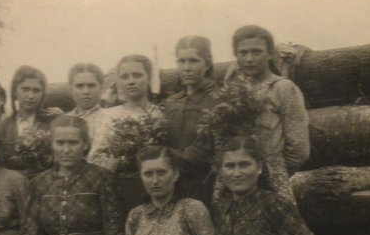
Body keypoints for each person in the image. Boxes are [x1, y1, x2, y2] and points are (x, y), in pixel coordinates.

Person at [225, 25, 310, 204]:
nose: (249, 59)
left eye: (256, 52)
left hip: (270, 181)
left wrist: (273, 173)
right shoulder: (233, 89)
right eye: (243, 53)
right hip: (233, 180)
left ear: (270, 53)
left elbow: (299, 149)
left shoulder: (283, 88)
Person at [89, 54, 164, 212]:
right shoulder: (108, 116)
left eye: (137, 75)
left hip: (159, 187)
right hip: (122, 190)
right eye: (125, 77)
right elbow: (95, 159)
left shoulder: (160, 113)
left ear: (149, 77)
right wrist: (124, 161)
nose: (131, 81)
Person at [161, 36, 219, 203]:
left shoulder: (218, 100)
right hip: (171, 186)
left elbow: (203, 151)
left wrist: (164, 156)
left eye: (193, 61)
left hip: (204, 184)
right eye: (181, 61)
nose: (186, 68)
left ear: (207, 64)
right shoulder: (171, 102)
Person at [0, 65, 58, 178]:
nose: (30, 96)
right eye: (25, 89)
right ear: (15, 92)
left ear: (43, 94)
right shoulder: (1, 128)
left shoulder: (53, 122)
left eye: (36, 90)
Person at [67, 63, 105, 140]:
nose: (86, 91)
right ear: (71, 90)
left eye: (91, 85)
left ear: (101, 88)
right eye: (80, 86)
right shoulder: (63, 121)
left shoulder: (111, 118)